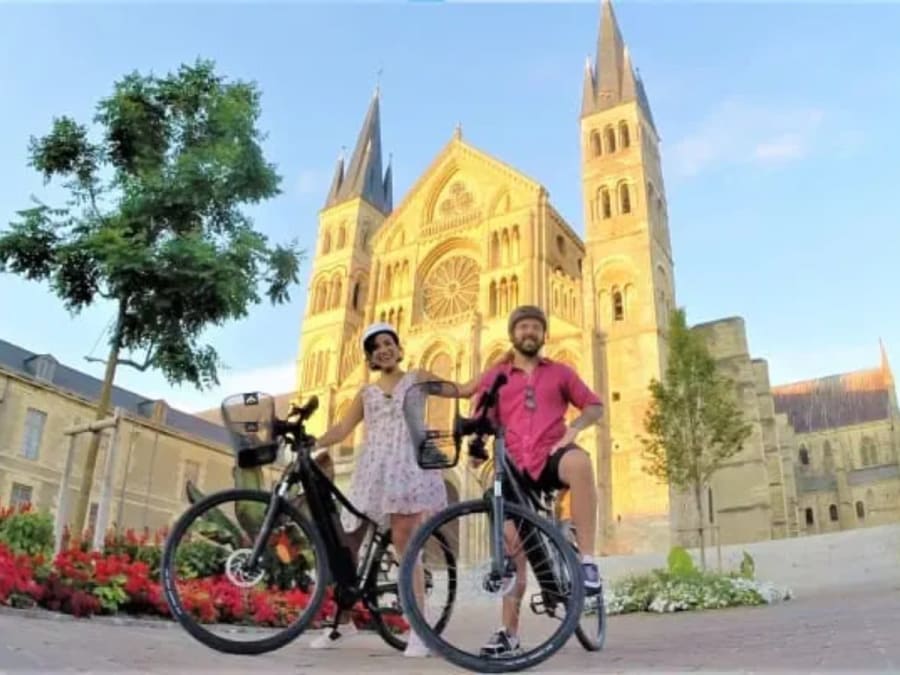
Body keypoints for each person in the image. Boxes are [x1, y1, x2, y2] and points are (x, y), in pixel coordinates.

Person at [306, 322, 479, 657]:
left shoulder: (417, 378)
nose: (383, 349)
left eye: (388, 343)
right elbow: (342, 428)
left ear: (399, 349)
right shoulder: (365, 393)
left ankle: (419, 630)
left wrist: (500, 368)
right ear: (370, 357)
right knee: (348, 545)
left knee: (406, 547)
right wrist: (313, 441)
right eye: (375, 347)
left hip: (407, 467)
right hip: (371, 470)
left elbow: (462, 389)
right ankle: (342, 623)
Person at [473, 305, 604, 659]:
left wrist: (575, 429)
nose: (528, 332)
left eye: (535, 327)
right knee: (513, 546)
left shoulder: (560, 371)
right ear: (513, 334)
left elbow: (594, 406)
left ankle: (588, 561)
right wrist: (475, 449)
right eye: (523, 327)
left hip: (549, 456)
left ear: (543, 335)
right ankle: (508, 633)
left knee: (579, 462)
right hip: (512, 469)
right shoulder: (496, 376)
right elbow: (481, 416)